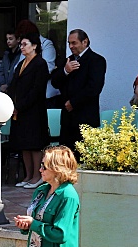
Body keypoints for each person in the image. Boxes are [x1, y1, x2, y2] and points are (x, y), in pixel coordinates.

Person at [51, 29, 106, 157]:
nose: (71, 46)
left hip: (85, 117)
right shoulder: (67, 61)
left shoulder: (96, 60)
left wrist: (73, 103)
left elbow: (94, 88)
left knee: (83, 158)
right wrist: (65, 71)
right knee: (65, 158)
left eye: (74, 43)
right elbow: (54, 82)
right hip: (67, 119)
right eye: (69, 43)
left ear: (85, 42)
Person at [7, 33, 50, 189]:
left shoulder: (40, 64)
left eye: (25, 44)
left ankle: (37, 176)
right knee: (23, 144)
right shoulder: (21, 63)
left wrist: (20, 105)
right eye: (21, 45)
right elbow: (13, 85)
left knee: (34, 144)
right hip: (19, 111)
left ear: (34, 46)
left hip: (33, 110)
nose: (22, 47)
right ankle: (28, 175)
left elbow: (37, 90)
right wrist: (11, 103)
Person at [15, 20, 61, 108]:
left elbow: (48, 67)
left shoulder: (46, 44)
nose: (21, 45)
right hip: (25, 95)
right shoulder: (24, 48)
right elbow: (17, 68)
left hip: (45, 95)